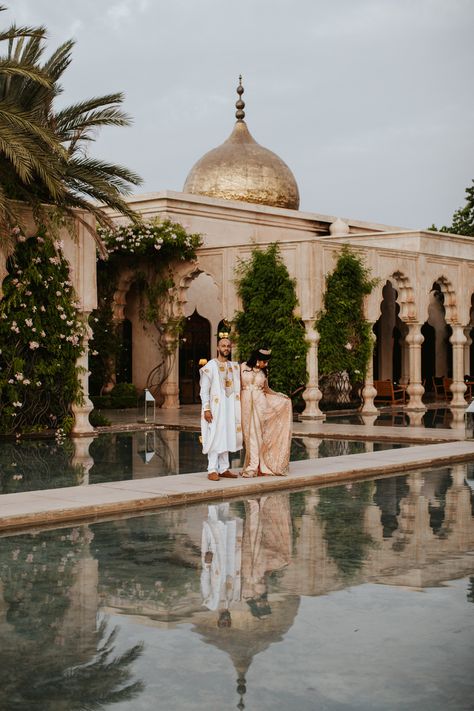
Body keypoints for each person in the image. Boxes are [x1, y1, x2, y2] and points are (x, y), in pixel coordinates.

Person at [240, 348, 292, 477]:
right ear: (258, 360)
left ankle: (254, 467)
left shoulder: (264, 372)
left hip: (260, 403)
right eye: (265, 362)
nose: (266, 364)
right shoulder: (242, 367)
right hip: (245, 402)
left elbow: (267, 389)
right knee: (248, 434)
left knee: (256, 433)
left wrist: (280, 395)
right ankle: (255, 465)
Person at [199, 337, 242, 481]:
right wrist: (206, 408)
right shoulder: (210, 366)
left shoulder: (234, 367)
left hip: (230, 409)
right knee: (215, 436)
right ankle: (212, 469)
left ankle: (223, 468)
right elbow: (204, 390)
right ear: (218, 348)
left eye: (228, 346)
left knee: (226, 436)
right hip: (216, 408)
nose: (226, 348)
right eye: (223, 346)